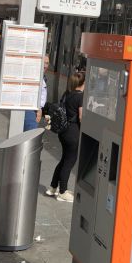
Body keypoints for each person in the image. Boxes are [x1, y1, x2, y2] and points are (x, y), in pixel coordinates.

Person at [47, 71, 85, 202]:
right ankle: (62, 192)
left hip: (63, 131)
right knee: (69, 161)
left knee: (64, 159)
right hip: (73, 133)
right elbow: (81, 117)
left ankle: (53, 187)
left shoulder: (67, 93)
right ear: (83, 83)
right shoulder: (80, 97)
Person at [24, 55, 50, 132]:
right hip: (30, 110)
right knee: (30, 134)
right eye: (43, 63)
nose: (45, 66)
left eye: (47, 63)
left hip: (34, 110)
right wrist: (38, 109)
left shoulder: (42, 77)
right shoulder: (33, 76)